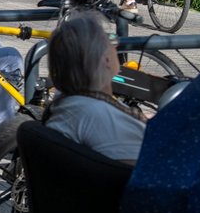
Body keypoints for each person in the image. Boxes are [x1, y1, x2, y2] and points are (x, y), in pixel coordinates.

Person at [44, 12, 145, 162]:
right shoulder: (103, 119)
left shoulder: (61, 107)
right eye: (110, 40)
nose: (116, 45)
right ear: (106, 60)